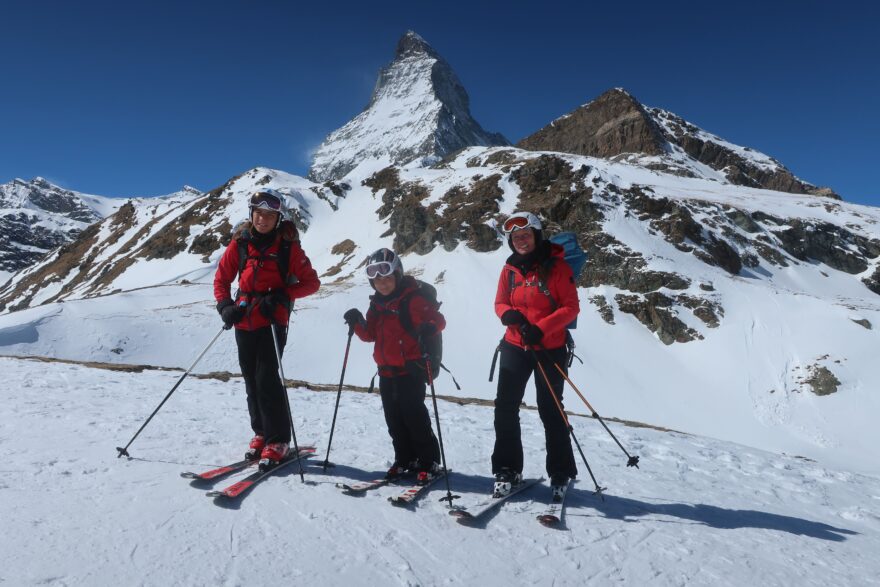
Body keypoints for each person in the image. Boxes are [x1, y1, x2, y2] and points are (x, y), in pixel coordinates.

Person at [213, 190, 320, 467]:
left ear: (277, 217)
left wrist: (283, 295)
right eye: (258, 213)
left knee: (267, 380)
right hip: (244, 318)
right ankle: (261, 433)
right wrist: (225, 306)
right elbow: (222, 278)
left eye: (269, 214)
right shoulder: (240, 243)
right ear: (252, 215)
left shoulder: (287, 246)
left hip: (273, 321)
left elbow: (311, 282)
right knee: (250, 379)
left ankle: (278, 439)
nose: (263, 219)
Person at [492, 211, 579, 497]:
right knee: (505, 408)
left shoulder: (557, 268)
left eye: (526, 235)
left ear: (537, 235)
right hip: (515, 345)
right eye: (516, 237)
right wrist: (508, 316)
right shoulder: (510, 269)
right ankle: (507, 469)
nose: (521, 240)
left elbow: (570, 308)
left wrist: (541, 329)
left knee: (550, 410)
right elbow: (500, 302)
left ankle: (561, 471)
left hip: (549, 347)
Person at [343, 248, 445, 485]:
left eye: (387, 277)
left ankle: (429, 461)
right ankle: (405, 459)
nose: (383, 283)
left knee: (414, 415)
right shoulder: (377, 304)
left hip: (411, 370)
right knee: (394, 418)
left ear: (397, 275)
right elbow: (369, 335)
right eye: (376, 278)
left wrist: (429, 327)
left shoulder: (413, 298)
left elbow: (438, 320)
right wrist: (357, 321)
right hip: (386, 371)